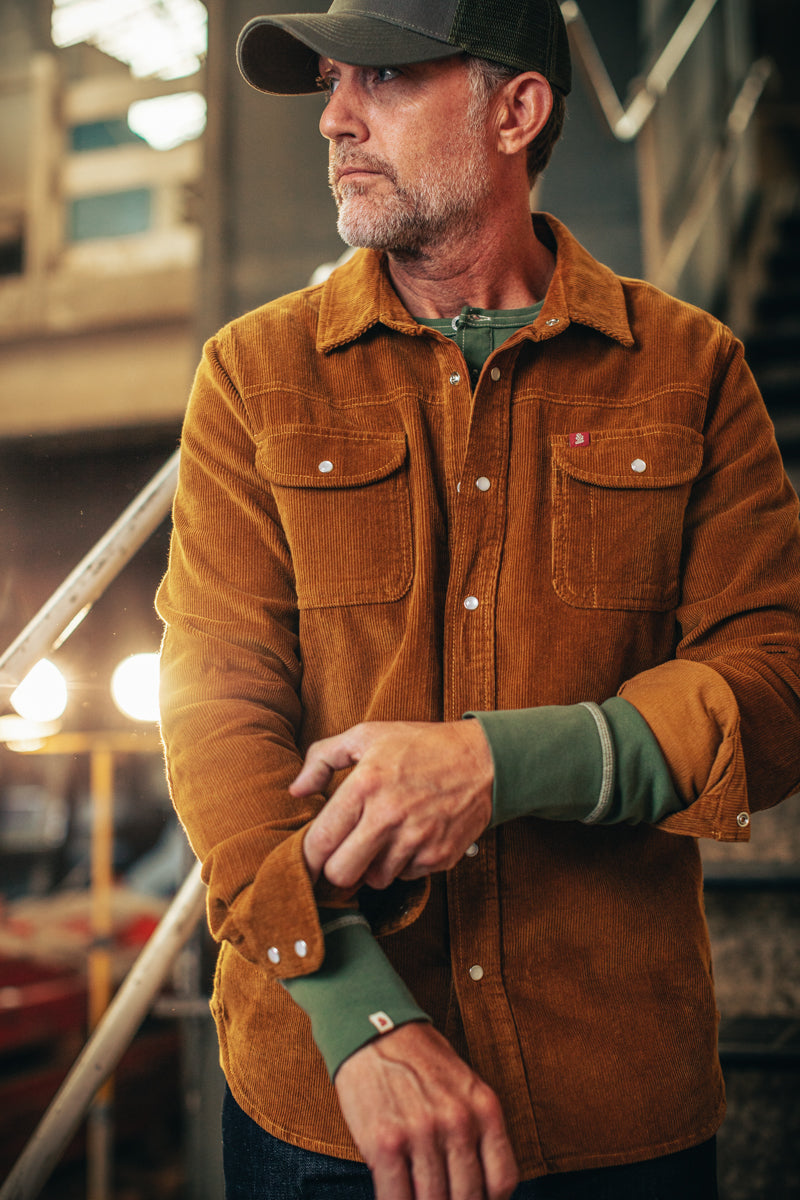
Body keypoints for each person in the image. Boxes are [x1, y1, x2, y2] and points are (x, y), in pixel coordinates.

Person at [156, 2, 800, 1197]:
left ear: (516, 110)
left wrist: (500, 764)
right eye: (331, 83)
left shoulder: (690, 366)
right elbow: (213, 712)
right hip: (326, 1104)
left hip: (614, 1103)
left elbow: (773, 680)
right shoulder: (252, 374)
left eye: (385, 81)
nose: (334, 119)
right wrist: (358, 1016)